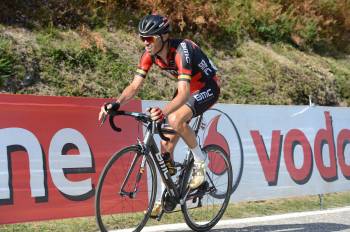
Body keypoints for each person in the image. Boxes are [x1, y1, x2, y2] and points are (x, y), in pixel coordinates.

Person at [98, 14, 221, 217]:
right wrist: (116, 103)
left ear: (163, 36)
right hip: (190, 89)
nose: (146, 43)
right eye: (142, 39)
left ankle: (201, 160)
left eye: (150, 38)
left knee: (174, 119)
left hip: (208, 86)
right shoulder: (150, 54)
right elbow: (135, 85)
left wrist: (163, 111)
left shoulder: (182, 50)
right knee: (165, 145)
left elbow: (182, 94)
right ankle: (167, 194)